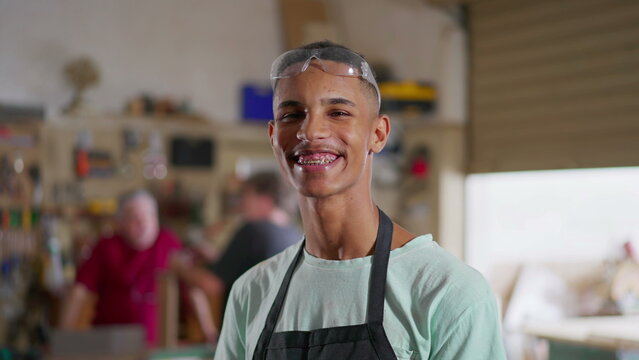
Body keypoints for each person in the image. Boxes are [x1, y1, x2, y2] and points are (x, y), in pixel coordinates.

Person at [214, 41, 506, 359]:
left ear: (378, 134)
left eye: (338, 112)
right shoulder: (251, 293)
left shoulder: (449, 293)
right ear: (273, 136)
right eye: (292, 115)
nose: (310, 131)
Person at [59, 189, 185, 346]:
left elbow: (193, 286)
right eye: (134, 218)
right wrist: (63, 341)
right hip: (110, 345)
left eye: (149, 216)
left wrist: (210, 332)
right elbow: (78, 291)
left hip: (157, 347)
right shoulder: (106, 246)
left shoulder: (168, 243)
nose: (143, 222)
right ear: (120, 223)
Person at [172, 172, 301, 315]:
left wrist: (179, 267)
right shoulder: (295, 235)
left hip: (247, 330)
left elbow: (212, 284)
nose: (242, 203)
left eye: (246, 195)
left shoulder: (253, 230)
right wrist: (218, 257)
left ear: (265, 200)